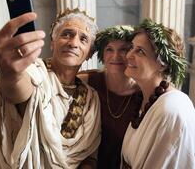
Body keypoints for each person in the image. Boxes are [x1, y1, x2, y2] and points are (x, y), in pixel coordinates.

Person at [0, 8, 101, 169]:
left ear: (89, 54)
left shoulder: (91, 98)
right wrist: (10, 74)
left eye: (83, 39)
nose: (73, 43)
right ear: (52, 42)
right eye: (66, 34)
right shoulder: (34, 72)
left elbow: (89, 154)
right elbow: (18, 91)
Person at [121, 19, 195, 169]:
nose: (128, 55)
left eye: (140, 51)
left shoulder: (171, 109)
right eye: (132, 48)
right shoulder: (145, 98)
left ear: (163, 64)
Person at [78, 25, 141, 169]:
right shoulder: (88, 81)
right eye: (109, 49)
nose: (116, 56)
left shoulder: (143, 92)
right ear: (102, 55)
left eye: (123, 50)